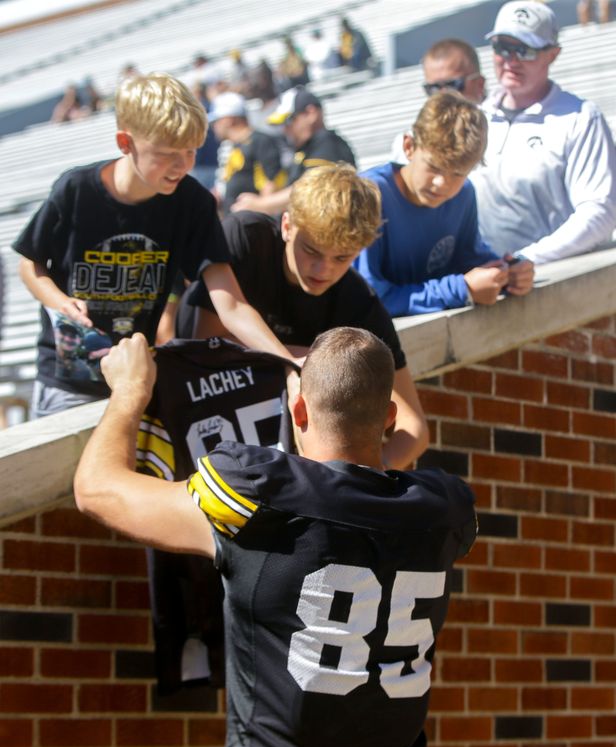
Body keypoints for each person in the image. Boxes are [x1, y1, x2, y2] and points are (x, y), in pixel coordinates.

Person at [74, 326, 477, 747]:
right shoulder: (443, 510)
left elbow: (96, 489)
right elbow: (394, 446)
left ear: (298, 409)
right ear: (387, 417)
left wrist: (130, 389)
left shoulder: (259, 497)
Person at [13, 72, 296, 417]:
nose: (181, 165)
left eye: (191, 151)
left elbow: (231, 304)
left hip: (136, 374)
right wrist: (60, 303)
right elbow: (29, 264)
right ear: (125, 142)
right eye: (165, 153)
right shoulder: (75, 190)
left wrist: (288, 359)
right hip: (70, 379)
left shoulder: (193, 203)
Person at [177, 163, 429, 467]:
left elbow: (413, 429)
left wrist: (359, 483)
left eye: (341, 257)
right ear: (287, 226)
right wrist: (298, 359)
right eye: (311, 250)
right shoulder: (246, 238)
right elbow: (207, 347)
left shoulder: (358, 301)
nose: (324, 270)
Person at [356, 91, 535, 316]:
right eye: (434, 167)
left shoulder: (464, 195)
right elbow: (368, 298)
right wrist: (461, 290)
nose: (442, 184)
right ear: (409, 146)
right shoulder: (368, 196)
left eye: (457, 174)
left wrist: (509, 273)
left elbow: (468, 259)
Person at [471, 0, 616, 264]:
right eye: (502, 48)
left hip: (552, 283)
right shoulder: (475, 117)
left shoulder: (580, 118)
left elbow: (599, 211)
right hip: (487, 282)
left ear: (553, 54)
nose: (511, 61)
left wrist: (525, 261)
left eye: (525, 50)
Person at [231, 86, 355, 216]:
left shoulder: (327, 142)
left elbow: (314, 188)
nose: (285, 129)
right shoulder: (309, 147)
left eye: (289, 121)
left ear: (311, 113)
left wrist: (261, 205)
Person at [391, 38, 486, 164]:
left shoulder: (500, 130)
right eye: (433, 88)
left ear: (479, 84)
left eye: (452, 85)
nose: (442, 96)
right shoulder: (410, 141)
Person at [208, 91, 286, 213]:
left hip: (253, 223)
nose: (213, 127)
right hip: (235, 220)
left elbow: (272, 182)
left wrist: (262, 212)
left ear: (229, 120)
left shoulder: (260, 141)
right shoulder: (232, 146)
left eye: (216, 121)